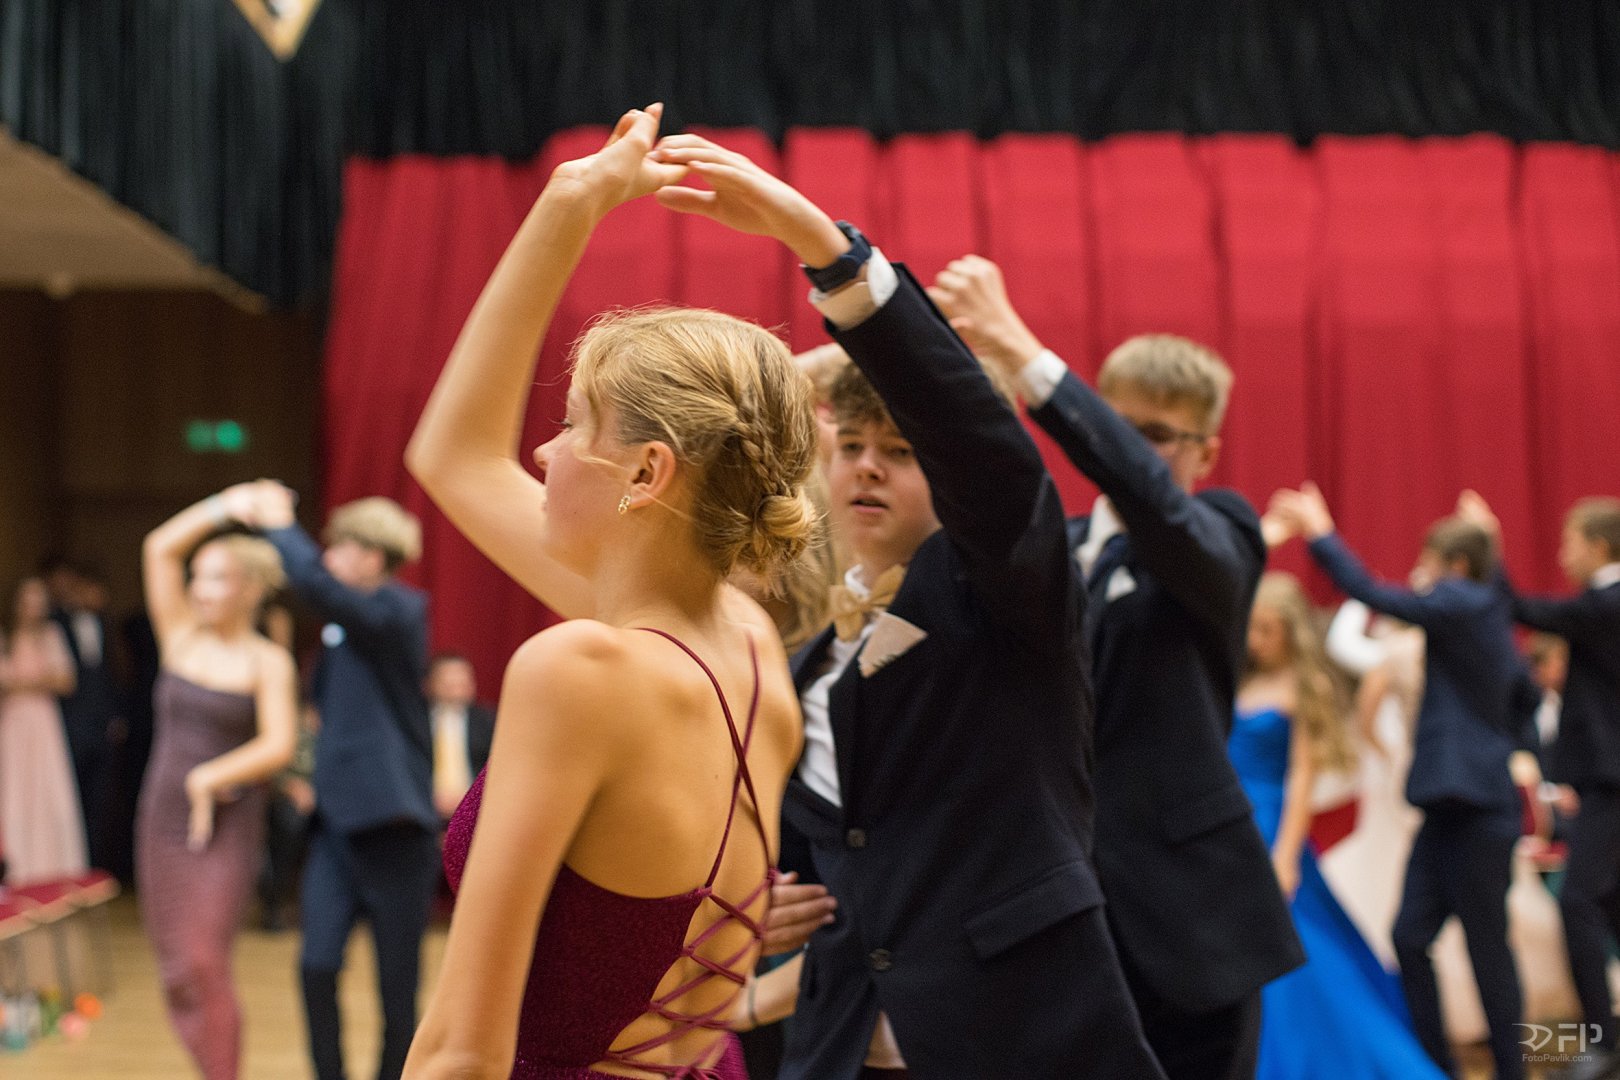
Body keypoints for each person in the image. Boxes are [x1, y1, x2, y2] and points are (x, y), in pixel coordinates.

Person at [646, 132, 1167, 1078]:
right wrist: (756, 907)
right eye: (851, 448)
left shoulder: (1005, 594)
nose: (868, 468)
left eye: (899, 451)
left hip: (1022, 1038)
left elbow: (979, 443)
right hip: (842, 1044)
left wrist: (823, 249)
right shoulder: (805, 663)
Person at [400, 104, 813, 1079]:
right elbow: (455, 457)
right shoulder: (744, 641)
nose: (542, 454)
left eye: (572, 423)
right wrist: (569, 203)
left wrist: (571, 206)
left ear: (647, 472)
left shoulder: (582, 670)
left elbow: (463, 1050)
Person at [926, 257, 1301, 1079]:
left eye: (1156, 435)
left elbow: (1156, 503)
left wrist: (1028, 358)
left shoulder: (1224, 532)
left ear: (1207, 451)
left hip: (1191, 923)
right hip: (1054, 912)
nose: (1130, 447)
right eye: (1119, 424)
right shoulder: (1053, 545)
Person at [1269, 484, 1537, 1080]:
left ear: (1457, 567)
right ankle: (1434, 1064)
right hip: (1449, 806)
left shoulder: (1462, 603)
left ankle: (1512, 1070)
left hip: (1477, 808)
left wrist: (1320, 533)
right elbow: (1525, 700)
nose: (1424, 576)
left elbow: (1370, 593)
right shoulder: (1485, 613)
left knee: (1485, 947)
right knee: (1411, 936)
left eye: (1431, 562)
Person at [233, 483, 438, 1080]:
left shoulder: (399, 612)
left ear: (372, 556)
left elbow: (319, 587)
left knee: (397, 990)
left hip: (397, 835)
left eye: (339, 547)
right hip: (336, 830)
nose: (327, 559)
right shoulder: (341, 628)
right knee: (316, 966)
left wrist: (279, 523)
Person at [1233, 572, 1444, 1078]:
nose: (1256, 640)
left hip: (1272, 823)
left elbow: (1302, 775)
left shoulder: (1301, 686)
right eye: (1252, 628)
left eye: (1267, 630)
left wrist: (1287, 855)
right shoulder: (1237, 677)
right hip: (1232, 823)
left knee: (1304, 949)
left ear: (1290, 631)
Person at [138, 489, 299, 1079]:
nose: (200, 590)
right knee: (179, 971)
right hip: (163, 819)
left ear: (251, 589)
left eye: (217, 578)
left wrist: (212, 775)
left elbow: (278, 744)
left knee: (206, 959)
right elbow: (159, 547)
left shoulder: (267, 661)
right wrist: (228, 504)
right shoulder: (181, 635)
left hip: (227, 823)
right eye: (197, 577)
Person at [1474, 494, 1620, 1080]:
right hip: (1603, 779)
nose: (1562, 555)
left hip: (1611, 782)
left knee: (1579, 901)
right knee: (1608, 901)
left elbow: (1519, 606)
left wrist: (1490, 543)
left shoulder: (1608, 603)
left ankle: (1602, 1041)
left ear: (1599, 547)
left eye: (1570, 544)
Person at [0, 577, 86, 885]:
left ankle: (53, 865)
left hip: (44, 722)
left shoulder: (51, 634)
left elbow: (66, 681)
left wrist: (23, 683)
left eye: (39, 600)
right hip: (13, 723)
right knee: (15, 788)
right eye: (29, 599)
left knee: (47, 787)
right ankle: (17, 864)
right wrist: (38, 681)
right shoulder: (6, 636)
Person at [43, 557, 121, 870]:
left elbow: (114, 676)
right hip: (68, 726)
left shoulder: (106, 624)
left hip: (102, 726)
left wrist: (116, 716)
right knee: (69, 799)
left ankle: (96, 866)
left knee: (100, 800)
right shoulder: (55, 624)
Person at [425, 654, 495, 823]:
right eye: (447, 680)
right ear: (428, 684)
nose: (455, 685)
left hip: (479, 814)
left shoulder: (489, 722)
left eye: (461, 679)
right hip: (425, 811)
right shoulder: (415, 723)